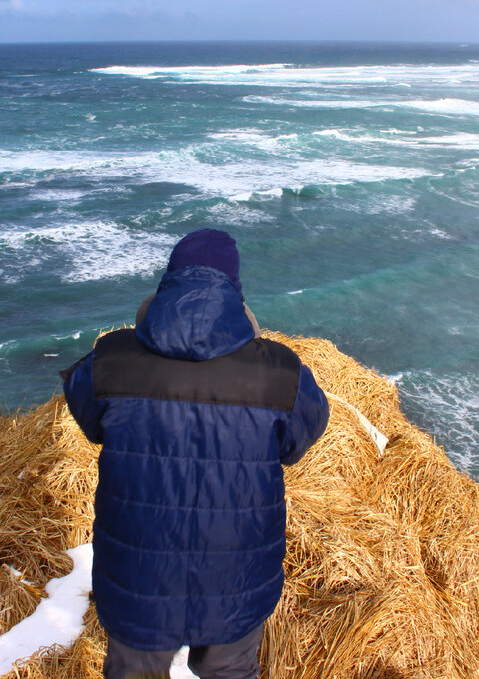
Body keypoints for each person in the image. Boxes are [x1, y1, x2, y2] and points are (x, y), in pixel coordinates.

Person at [61, 229, 329, 679]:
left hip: (138, 572)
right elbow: (298, 441)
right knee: (231, 671)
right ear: (235, 292)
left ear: (168, 281)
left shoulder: (110, 359)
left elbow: (90, 419)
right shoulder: (279, 372)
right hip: (237, 573)